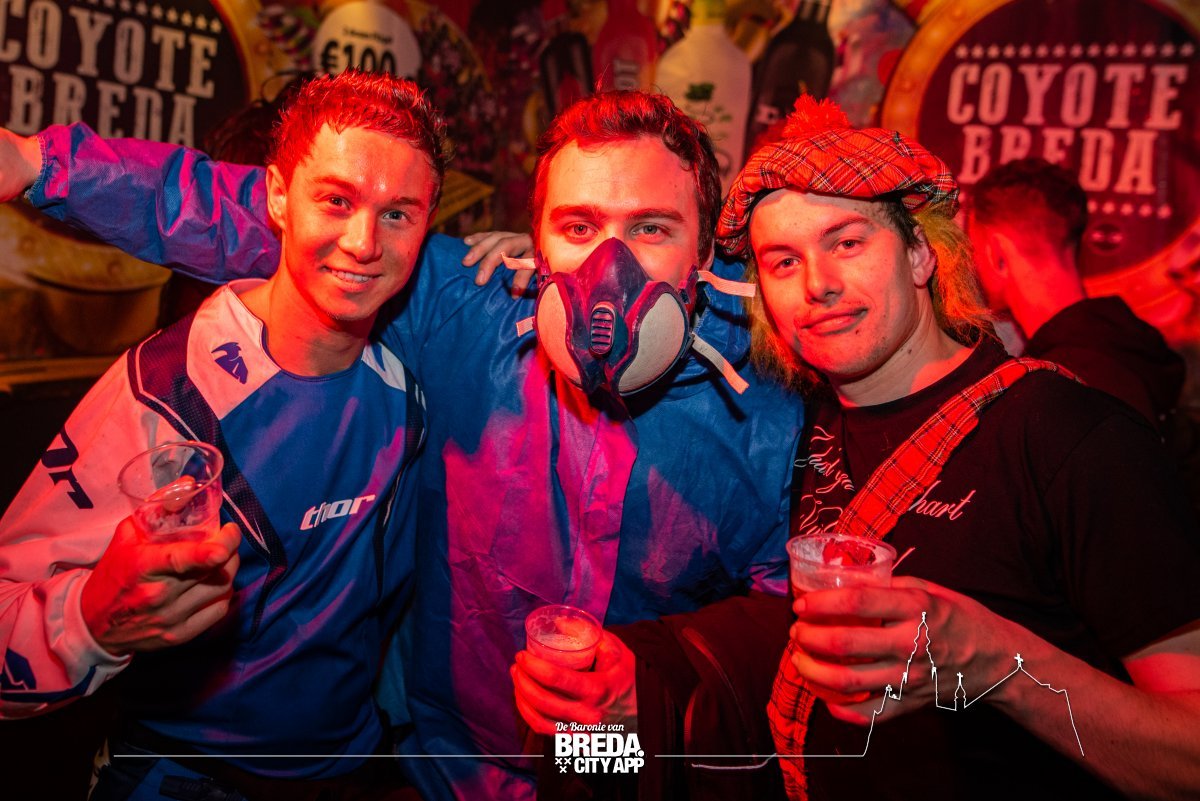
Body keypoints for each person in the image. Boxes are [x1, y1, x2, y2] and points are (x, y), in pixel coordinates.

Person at [0, 91, 805, 799]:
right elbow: (252, 214)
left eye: (652, 227)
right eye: (578, 226)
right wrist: (39, 165)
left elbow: (790, 634)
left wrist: (651, 695)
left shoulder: (769, 402)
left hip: (612, 772)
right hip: (434, 771)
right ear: (537, 243)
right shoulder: (464, 309)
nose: (608, 268)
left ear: (705, 252)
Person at [714, 96, 1200, 800]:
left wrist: (993, 659)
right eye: (784, 261)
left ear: (920, 255)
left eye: (847, 243)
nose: (817, 285)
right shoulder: (795, 428)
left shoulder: (1067, 433)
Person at [0, 70, 445, 800]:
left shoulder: (410, 381)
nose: (363, 242)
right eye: (336, 200)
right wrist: (91, 620)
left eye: (398, 213)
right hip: (185, 778)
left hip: (357, 769)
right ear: (276, 196)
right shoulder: (168, 391)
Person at [967, 157, 1185, 433]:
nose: (971, 265)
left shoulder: (1061, 380)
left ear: (996, 253)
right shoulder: (1123, 349)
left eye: (973, 248)